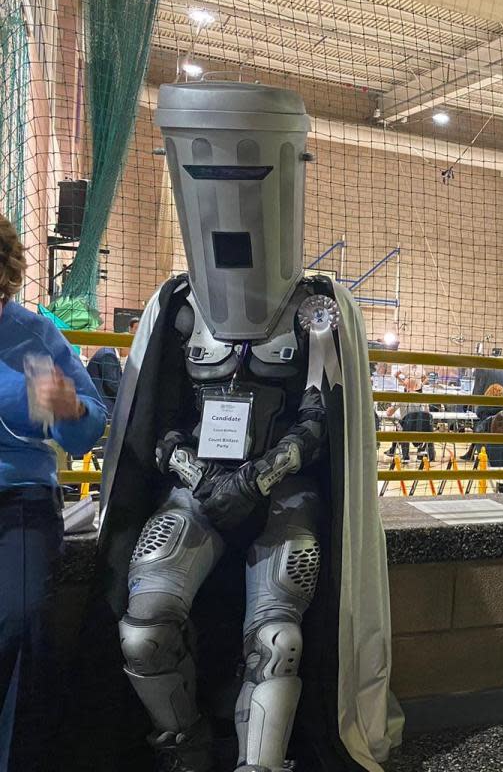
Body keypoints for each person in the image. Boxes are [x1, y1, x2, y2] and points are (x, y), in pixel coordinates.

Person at [87, 83, 399, 771]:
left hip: (283, 495)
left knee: (278, 640)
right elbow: (158, 421)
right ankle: (186, 749)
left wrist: (259, 477)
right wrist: (198, 476)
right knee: (143, 632)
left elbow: (318, 418)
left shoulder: (316, 308)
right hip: (193, 489)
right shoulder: (176, 304)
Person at [0, 213, 106, 772]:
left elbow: (90, 429)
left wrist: (71, 407)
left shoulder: (36, 335)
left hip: (21, 496)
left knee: (18, 617)